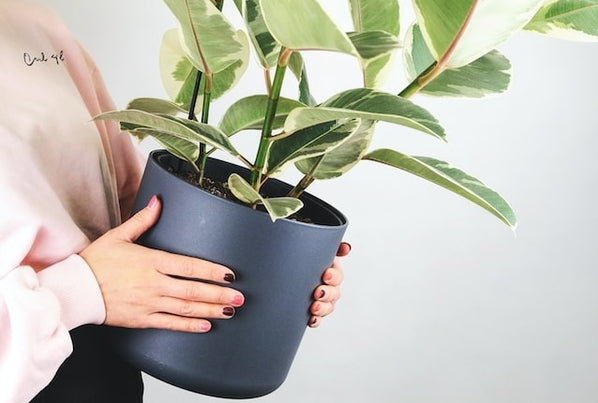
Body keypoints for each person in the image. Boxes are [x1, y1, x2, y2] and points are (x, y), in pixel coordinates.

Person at [0, 0, 351, 401]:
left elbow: (131, 201)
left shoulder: (31, 25)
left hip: (106, 362)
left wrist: (283, 263)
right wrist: (79, 290)